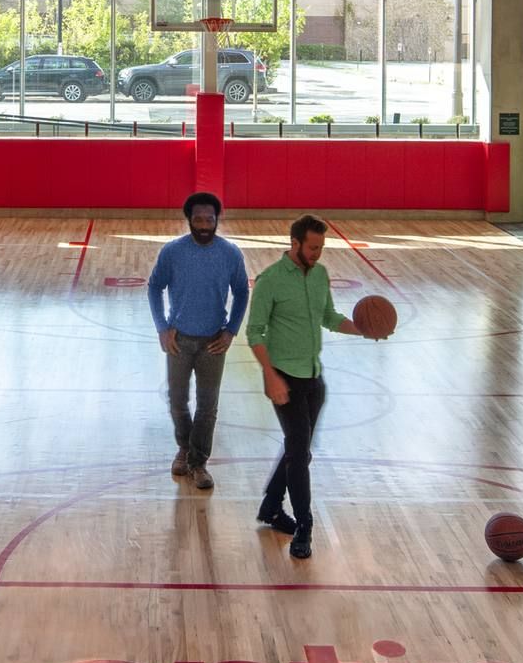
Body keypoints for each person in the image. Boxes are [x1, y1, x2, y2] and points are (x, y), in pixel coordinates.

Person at [244, 215, 382, 559]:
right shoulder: (270, 281)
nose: (317, 253)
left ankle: (271, 506)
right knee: (298, 453)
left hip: (313, 378)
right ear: (294, 243)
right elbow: (254, 332)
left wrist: (363, 330)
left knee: (299, 450)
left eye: (321, 247)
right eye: (312, 247)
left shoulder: (320, 275)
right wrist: (270, 375)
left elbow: (329, 317)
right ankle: (304, 526)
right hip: (283, 379)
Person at [147, 192, 248, 490]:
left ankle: (198, 463)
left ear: (217, 220)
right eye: (199, 219)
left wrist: (231, 330)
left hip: (213, 342)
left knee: (207, 407)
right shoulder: (172, 252)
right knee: (177, 401)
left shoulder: (230, 254)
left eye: (210, 220)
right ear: (189, 220)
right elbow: (154, 287)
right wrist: (162, 327)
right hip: (179, 340)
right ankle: (184, 448)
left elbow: (242, 292)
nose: (204, 225)